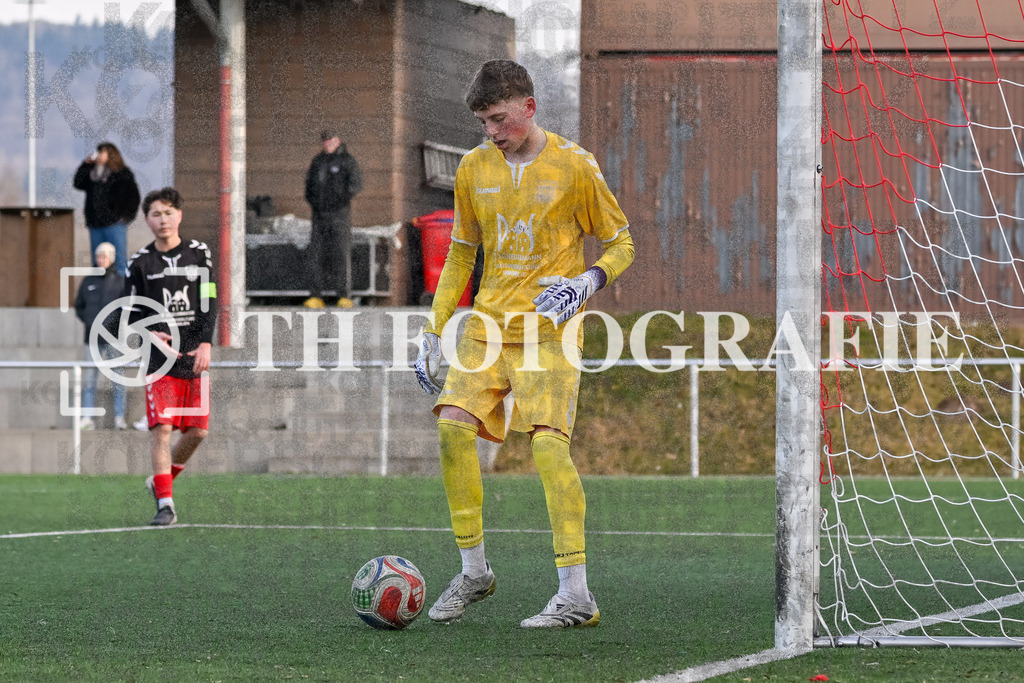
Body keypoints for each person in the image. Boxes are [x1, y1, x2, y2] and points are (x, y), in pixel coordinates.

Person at [413, 60, 635, 628]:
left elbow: (620, 242)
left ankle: (576, 596)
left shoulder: (575, 166)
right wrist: (434, 329)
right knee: (452, 425)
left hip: (549, 335)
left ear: (529, 106)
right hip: (487, 327)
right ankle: (474, 572)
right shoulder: (472, 168)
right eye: (484, 122)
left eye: (499, 118)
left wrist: (588, 282)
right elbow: (462, 250)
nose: (491, 130)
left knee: (547, 448)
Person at [103, 188, 217, 527]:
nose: (163, 219)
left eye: (168, 212)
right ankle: (165, 504)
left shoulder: (199, 254)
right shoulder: (139, 263)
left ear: (179, 215)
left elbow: (210, 300)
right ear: (147, 220)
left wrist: (207, 343)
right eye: (156, 214)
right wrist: (150, 331)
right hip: (158, 362)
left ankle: (160, 481)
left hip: (194, 356)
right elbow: (128, 311)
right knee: (162, 429)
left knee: (197, 433)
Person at [303, 129, 362, 308]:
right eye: (325, 141)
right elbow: (309, 186)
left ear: (337, 140)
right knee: (316, 254)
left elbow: (355, 185)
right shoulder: (318, 161)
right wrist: (315, 204)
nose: (327, 144)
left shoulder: (347, 161)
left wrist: (338, 201)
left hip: (339, 215)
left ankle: (343, 295)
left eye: (330, 141)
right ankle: (315, 295)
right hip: (319, 215)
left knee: (341, 253)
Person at [73, 242, 127, 430]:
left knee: (118, 377)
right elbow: (79, 305)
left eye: (104, 256)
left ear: (111, 258)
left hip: (113, 337)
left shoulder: (120, 281)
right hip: (91, 338)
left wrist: (115, 325)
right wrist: (89, 322)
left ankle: (120, 417)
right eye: (99, 256)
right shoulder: (88, 281)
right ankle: (87, 417)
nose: (101, 260)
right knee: (90, 377)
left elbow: (127, 308)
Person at [73, 142, 141, 277]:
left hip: (115, 225)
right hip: (95, 224)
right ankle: (99, 292)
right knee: (98, 263)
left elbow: (134, 197)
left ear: (110, 154)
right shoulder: (92, 174)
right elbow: (78, 183)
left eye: (101, 152)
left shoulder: (122, 174)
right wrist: (85, 164)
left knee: (119, 262)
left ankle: (121, 293)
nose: (98, 155)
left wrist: (124, 218)